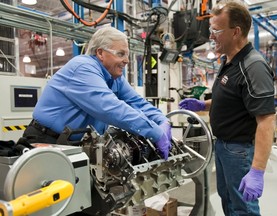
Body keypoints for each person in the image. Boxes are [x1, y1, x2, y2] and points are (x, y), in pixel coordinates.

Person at [179, 1, 275, 215]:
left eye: (216, 30)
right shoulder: (230, 61)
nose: (211, 36)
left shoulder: (253, 66)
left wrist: (257, 171)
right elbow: (236, 98)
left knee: (243, 209)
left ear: (236, 32)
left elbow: (266, 120)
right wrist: (203, 104)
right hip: (223, 146)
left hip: (239, 150)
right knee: (229, 202)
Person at [22, 26, 171, 160]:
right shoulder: (82, 68)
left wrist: (162, 121)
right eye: (120, 54)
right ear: (100, 52)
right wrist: (155, 132)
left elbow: (137, 102)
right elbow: (111, 108)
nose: (126, 61)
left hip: (73, 144)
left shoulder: (114, 77)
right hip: (45, 141)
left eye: (127, 55)